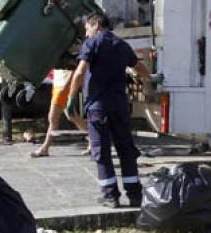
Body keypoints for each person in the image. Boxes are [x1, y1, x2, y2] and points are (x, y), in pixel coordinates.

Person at [66, 13, 152, 208]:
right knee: (126, 149)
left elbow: (80, 72)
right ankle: (135, 194)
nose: (86, 34)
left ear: (96, 25)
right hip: (120, 106)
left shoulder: (92, 43)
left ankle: (110, 195)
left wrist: (71, 99)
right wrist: (151, 79)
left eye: (87, 29)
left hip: (98, 107)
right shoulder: (121, 44)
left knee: (101, 151)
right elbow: (139, 67)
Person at [30, 67, 92, 157]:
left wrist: (66, 85)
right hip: (59, 85)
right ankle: (93, 140)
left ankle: (45, 148)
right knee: (71, 115)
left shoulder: (68, 54)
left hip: (62, 86)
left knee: (53, 117)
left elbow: (74, 69)